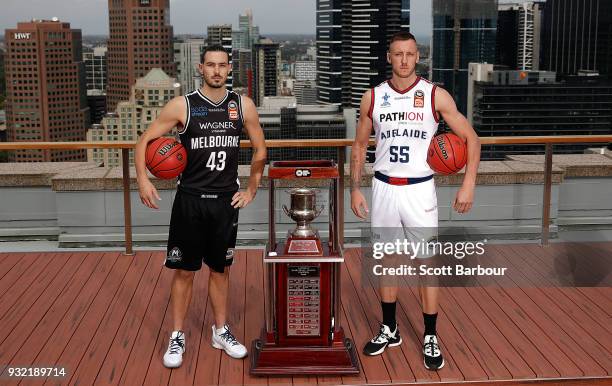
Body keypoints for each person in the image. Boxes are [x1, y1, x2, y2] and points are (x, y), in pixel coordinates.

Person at [350, 31, 480, 370]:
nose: (404, 60)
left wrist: (468, 184)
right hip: (383, 188)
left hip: (420, 189)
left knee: (426, 264)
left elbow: (472, 139)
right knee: (388, 262)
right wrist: (354, 187)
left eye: (410, 54)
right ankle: (390, 327)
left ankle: (430, 334)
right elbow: (359, 146)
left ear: (417, 56)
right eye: (398, 54)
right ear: (389, 58)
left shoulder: (436, 96)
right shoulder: (373, 97)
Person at [135, 44, 266, 368]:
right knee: (184, 273)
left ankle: (220, 331)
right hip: (190, 201)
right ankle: (177, 335)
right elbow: (144, 141)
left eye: (222, 65)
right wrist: (142, 179)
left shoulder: (242, 105)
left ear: (229, 68)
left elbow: (261, 150)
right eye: (211, 65)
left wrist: (251, 188)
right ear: (200, 68)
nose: (217, 71)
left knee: (221, 271)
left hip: (225, 202)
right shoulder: (183, 106)